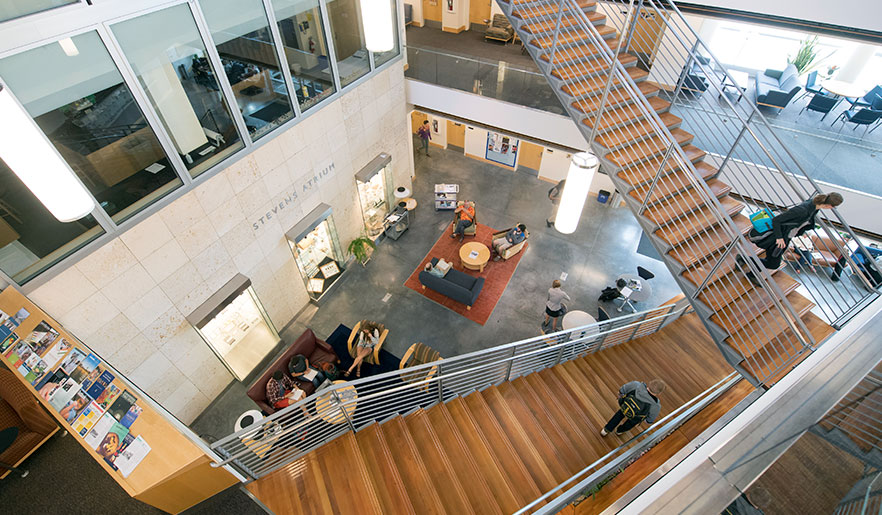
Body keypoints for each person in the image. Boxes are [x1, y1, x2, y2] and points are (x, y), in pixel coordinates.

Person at [737, 193, 844, 285]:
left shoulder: (814, 207)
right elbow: (777, 220)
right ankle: (746, 264)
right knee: (773, 263)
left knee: (772, 260)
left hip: (786, 237)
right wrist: (779, 238)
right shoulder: (802, 210)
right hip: (779, 238)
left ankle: (748, 268)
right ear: (829, 205)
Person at [600, 379, 665, 437]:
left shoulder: (636, 385)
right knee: (630, 423)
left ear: (650, 383)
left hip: (626, 406)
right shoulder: (656, 406)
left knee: (618, 415)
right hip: (636, 417)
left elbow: (622, 390)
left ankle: (606, 430)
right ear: (659, 393)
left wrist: (620, 396)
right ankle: (620, 431)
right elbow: (649, 420)